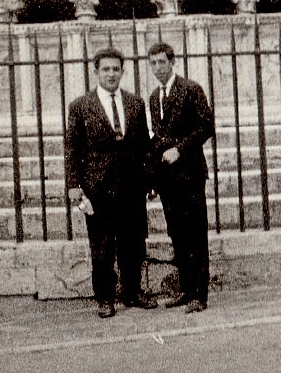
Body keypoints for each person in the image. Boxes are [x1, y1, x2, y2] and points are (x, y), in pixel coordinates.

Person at [65, 47, 156, 317]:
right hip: (98, 187)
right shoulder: (81, 106)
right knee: (102, 246)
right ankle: (105, 298)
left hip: (131, 185)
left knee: (133, 243)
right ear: (96, 72)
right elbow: (72, 148)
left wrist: (149, 178)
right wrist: (74, 185)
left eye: (116, 69)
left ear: (122, 71)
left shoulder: (135, 103)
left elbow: (143, 146)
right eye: (105, 69)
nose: (111, 74)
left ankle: (132, 292)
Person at [147, 42, 215, 313]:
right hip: (167, 178)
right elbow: (156, 139)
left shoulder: (190, 89)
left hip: (189, 173)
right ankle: (186, 290)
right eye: (153, 64)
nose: (157, 68)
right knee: (177, 235)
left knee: (195, 234)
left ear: (172, 62)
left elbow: (206, 126)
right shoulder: (154, 97)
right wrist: (152, 179)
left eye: (162, 62)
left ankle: (200, 294)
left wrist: (180, 149)